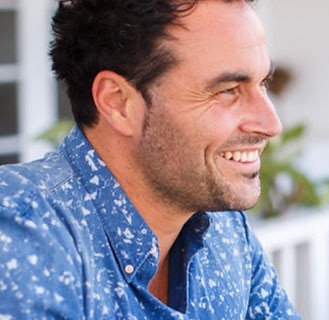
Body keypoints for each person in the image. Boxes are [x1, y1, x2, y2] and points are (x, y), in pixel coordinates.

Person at [0, 0, 301, 318]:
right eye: (228, 90)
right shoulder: (21, 228)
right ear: (118, 103)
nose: (271, 124)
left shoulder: (226, 231)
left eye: (262, 83)